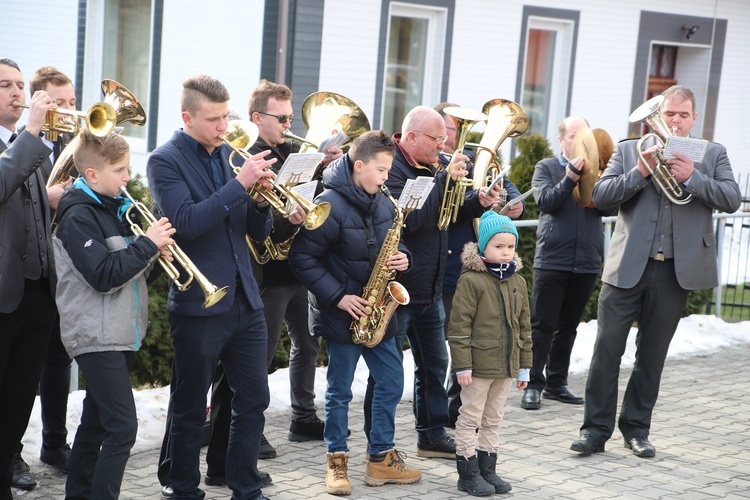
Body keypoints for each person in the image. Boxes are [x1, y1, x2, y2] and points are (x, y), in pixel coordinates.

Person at [570, 85, 741, 458]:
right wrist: (639, 172)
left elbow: (731, 199)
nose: (675, 121)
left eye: (683, 115)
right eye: (669, 114)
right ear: (659, 115)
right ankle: (594, 432)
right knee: (606, 351)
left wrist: (692, 177)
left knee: (652, 355)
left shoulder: (712, 154)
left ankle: (636, 429)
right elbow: (599, 196)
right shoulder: (631, 148)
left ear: (694, 119)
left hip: (675, 271)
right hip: (628, 266)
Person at [147, 74, 275, 500]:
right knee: (188, 407)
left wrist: (260, 201)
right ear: (188, 117)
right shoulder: (164, 160)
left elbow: (251, 230)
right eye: (214, 119)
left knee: (254, 400)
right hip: (199, 303)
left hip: (244, 300)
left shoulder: (225, 155)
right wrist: (239, 186)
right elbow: (185, 223)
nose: (224, 127)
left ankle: (245, 486)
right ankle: (182, 488)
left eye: (226, 117)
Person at [288, 130, 422, 495]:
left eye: (388, 170)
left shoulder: (384, 202)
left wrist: (403, 257)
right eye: (380, 170)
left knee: (392, 381)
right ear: (358, 165)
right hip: (342, 312)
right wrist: (339, 297)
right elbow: (302, 258)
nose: (385, 177)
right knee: (339, 392)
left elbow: (394, 239)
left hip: (378, 313)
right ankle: (337, 460)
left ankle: (380, 459)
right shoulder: (328, 203)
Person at [372, 105, 502, 459]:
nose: (443, 145)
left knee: (433, 366)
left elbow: (448, 212)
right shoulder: (392, 168)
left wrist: (477, 201)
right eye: (437, 138)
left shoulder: (434, 165)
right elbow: (408, 221)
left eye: (445, 138)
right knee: (387, 370)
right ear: (411, 136)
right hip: (399, 288)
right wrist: (444, 180)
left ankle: (430, 435)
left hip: (430, 285)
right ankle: (377, 441)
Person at [53, 129, 174, 499]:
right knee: (122, 428)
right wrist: (146, 245)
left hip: (115, 331)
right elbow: (103, 277)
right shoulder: (78, 216)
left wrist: (153, 256)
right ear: (91, 175)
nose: (126, 177)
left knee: (94, 426)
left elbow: (128, 275)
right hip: (94, 334)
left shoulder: (109, 207)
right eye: (120, 170)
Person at [245, 79, 342, 457]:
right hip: (269, 272)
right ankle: (251, 426)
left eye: (290, 117)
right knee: (262, 353)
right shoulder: (250, 156)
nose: (288, 124)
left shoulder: (290, 153)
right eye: (281, 117)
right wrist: (291, 218)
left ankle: (303, 417)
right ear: (258, 118)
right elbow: (260, 218)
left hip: (300, 265)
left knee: (308, 342)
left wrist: (327, 169)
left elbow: (309, 198)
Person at [434, 102, 525, 427]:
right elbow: (445, 208)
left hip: (475, 269)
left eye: (454, 128)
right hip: (447, 269)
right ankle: (440, 415)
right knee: (448, 345)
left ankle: (457, 413)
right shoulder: (432, 166)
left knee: (469, 343)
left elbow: (512, 192)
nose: (450, 134)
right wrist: (475, 199)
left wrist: (511, 204)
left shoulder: (473, 161)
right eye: (446, 127)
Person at [12, 66, 77, 490]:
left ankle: (55, 441)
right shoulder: (23, 141)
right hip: (26, 272)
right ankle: (12, 453)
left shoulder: (76, 144)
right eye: (60, 103)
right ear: (39, 102)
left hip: (64, 268)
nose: (70, 111)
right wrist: (49, 200)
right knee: (17, 370)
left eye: (73, 101)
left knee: (58, 359)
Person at [520, 116, 613, 411]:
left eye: (584, 135)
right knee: (542, 326)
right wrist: (570, 176)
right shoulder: (546, 167)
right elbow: (547, 202)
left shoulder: (599, 171)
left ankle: (557, 383)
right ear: (561, 140)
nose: (580, 141)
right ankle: (534, 384)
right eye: (573, 136)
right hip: (552, 260)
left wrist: (605, 179)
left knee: (569, 326)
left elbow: (609, 208)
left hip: (586, 261)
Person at [0, 57, 58, 500]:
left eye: (20, 85)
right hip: (2, 295)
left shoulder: (28, 143)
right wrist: (34, 135)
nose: (18, 93)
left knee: (19, 401)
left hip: (36, 292)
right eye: (6, 85)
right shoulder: (28, 141)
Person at [447, 211, 531, 496]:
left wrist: (524, 367)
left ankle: (488, 469)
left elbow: (525, 328)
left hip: (507, 365)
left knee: (494, 418)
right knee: (470, 417)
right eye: (499, 246)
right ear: (483, 247)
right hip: (478, 366)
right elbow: (459, 327)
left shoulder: (518, 282)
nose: (505, 252)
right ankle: (467, 473)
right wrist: (462, 366)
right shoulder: (471, 280)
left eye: (510, 246)